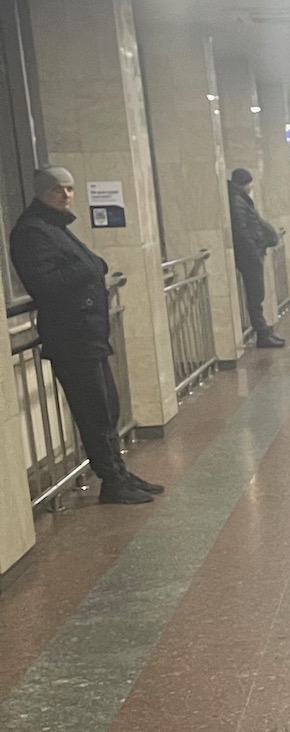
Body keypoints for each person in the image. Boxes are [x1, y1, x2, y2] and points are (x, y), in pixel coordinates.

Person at [8, 166, 164, 505]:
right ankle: (111, 480)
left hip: (87, 334)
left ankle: (119, 472)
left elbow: (83, 264)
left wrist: (91, 265)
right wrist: (90, 267)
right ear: (41, 192)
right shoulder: (31, 231)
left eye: (69, 188)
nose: (66, 195)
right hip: (71, 337)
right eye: (57, 190)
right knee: (93, 412)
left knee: (108, 408)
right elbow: (46, 282)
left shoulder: (56, 226)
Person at [227, 167, 285, 349]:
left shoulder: (241, 199)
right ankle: (262, 332)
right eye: (250, 183)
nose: (252, 187)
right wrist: (254, 250)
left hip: (252, 253)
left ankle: (264, 331)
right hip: (249, 255)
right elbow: (242, 230)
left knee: (257, 293)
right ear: (244, 183)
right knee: (255, 294)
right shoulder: (237, 200)